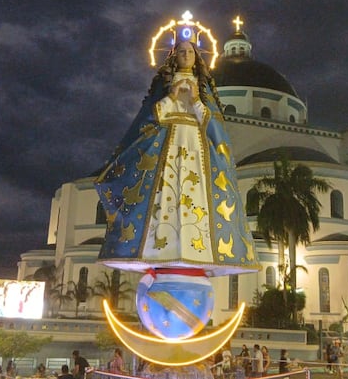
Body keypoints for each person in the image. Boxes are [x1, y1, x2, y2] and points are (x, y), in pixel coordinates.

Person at [94, 29, 259, 279]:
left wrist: (195, 101)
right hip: (167, 146)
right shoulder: (164, 85)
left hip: (195, 146)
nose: (185, 55)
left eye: (190, 51)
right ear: (174, 55)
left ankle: (197, 249)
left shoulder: (203, 89)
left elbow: (214, 126)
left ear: (197, 56)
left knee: (195, 195)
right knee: (165, 194)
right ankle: (161, 247)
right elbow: (149, 117)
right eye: (181, 51)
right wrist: (171, 96)